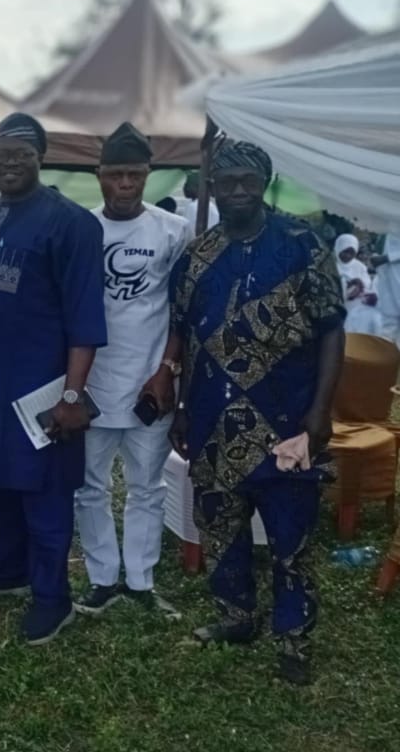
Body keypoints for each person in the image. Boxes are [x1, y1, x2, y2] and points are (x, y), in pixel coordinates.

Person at [170, 139, 344, 686]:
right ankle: (237, 616)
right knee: (220, 527)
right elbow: (184, 334)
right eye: (228, 182)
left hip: (286, 421)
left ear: (264, 183)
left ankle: (294, 638)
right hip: (211, 418)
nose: (239, 190)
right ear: (213, 187)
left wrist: (320, 411)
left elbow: (332, 328)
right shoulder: (197, 256)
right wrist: (181, 406)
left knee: (292, 539)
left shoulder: (302, 243)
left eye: (249, 180)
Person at [0, 112, 107, 646]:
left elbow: (85, 318)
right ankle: (8, 571)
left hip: (41, 390)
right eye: (2, 155)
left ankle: (53, 598)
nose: (11, 164)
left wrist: (71, 395)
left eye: (22, 154)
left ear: (41, 158)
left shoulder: (72, 224)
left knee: (44, 492)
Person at [73, 124, 190, 619]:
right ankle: (102, 578)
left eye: (135, 175)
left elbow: (182, 309)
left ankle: (141, 580)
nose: (125, 184)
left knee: (147, 487)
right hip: (92, 385)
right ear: (99, 175)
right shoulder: (81, 229)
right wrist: (72, 388)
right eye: (115, 174)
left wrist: (166, 370)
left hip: (150, 384)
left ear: (148, 175)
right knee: (89, 487)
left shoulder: (173, 231)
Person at [335, 234, 385, 336]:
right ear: (339, 248)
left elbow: (368, 286)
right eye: (345, 252)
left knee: (373, 316)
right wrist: (347, 287)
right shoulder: (331, 265)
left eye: (352, 253)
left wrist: (361, 287)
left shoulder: (359, 266)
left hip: (359, 300)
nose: (348, 256)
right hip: (340, 302)